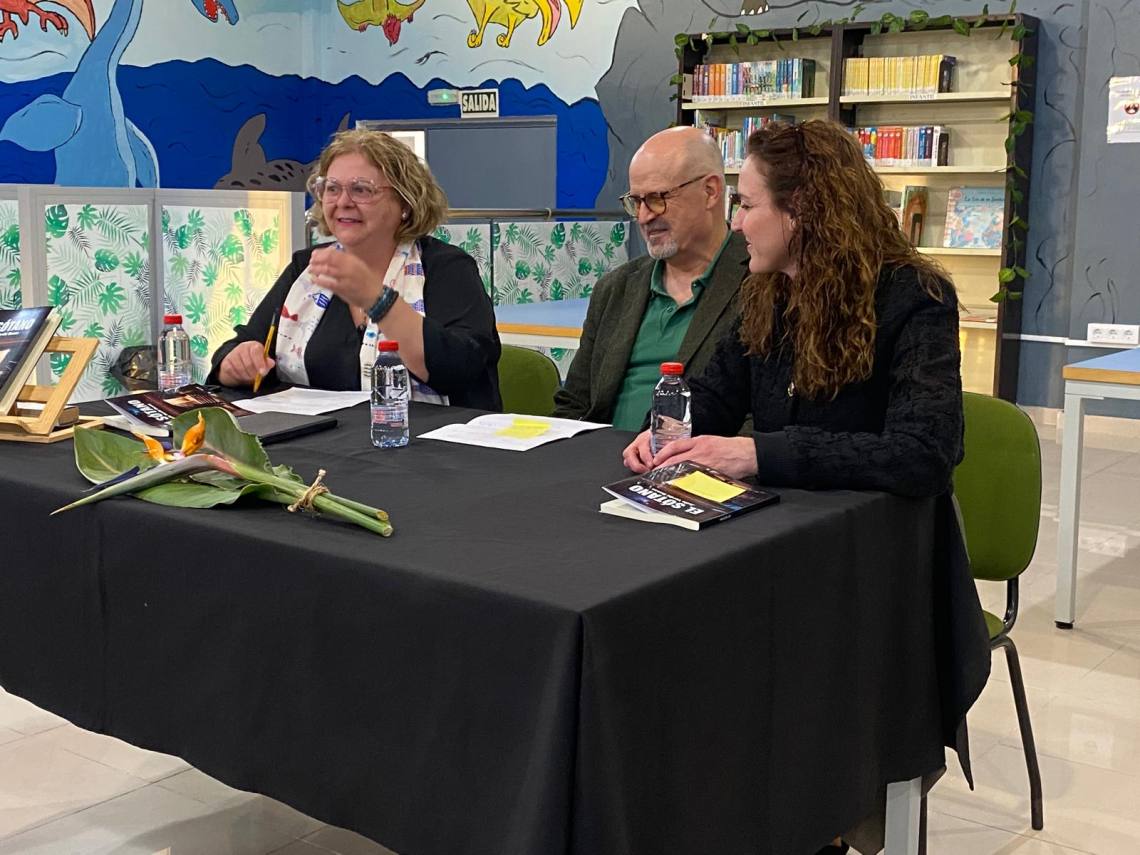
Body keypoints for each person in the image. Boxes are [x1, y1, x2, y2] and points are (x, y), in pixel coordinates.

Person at [622, 119, 964, 500]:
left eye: (747, 205)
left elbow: (924, 453)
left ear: (800, 209)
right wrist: (664, 431)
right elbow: (717, 394)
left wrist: (758, 454)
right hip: (786, 517)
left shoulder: (916, 297)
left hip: (871, 527)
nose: (736, 224)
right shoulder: (767, 292)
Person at [210, 129, 501, 410]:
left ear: (405, 202)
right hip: (318, 439)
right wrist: (235, 363)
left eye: (361, 189)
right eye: (332, 189)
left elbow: (461, 370)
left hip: (426, 439)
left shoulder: (446, 268)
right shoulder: (307, 267)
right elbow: (244, 344)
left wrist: (377, 299)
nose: (343, 202)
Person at [551, 126, 749, 430]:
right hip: (600, 454)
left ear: (710, 191)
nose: (644, 217)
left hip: (697, 457)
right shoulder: (615, 289)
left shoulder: (761, 284)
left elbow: (762, 419)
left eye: (657, 198)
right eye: (636, 201)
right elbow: (574, 403)